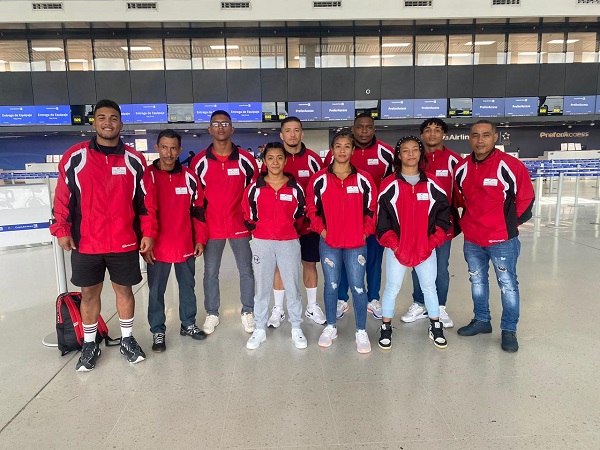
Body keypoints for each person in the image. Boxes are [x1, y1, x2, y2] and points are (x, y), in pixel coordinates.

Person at [50, 99, 157, 372]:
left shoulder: (134, 160)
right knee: (88, 294)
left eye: (113, 118)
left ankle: (128, 339)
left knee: (125, 291)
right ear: (93, 122)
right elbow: (63, 198)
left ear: (120, 123)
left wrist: (149, 233)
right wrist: (61, 230)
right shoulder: (75, 157)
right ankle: (89, 343)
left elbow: (146, 202)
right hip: (87, 241)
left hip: (123, 241)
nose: (107, 122)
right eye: (101, 117)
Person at [454, 120, 535, 353]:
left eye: (486, 135)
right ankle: (482, 320)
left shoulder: (510, 165)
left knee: (508, 285)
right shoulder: (461, 168)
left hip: (502, 241)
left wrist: (510, 225)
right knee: (477, 282)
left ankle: (509, 329)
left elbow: (526, 199)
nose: (480, 140)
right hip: (473, 240)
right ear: (470, 138)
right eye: (475, 135)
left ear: (495, 137)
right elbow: (459, 199)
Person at [377, 136, 451, 350]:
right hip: (397, 249)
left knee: (430, 288)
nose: (410, 154)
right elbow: (382, 221)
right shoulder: (389, 184)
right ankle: (385, 327)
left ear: (420, 153)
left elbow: (443, 216)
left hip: (425, 249)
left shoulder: (432, 183)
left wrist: (431, 243)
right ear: (399, 156)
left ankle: (436, 326)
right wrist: (395, 245)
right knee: (392, 288)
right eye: (405, 151)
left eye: (414, 150)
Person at [307, 130, 377, 354]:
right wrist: (323, 231)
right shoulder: (320, 179)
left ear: (353, 150)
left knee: (358, 287)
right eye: (338, 146)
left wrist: (364, 233)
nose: (343, 150)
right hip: (330, 243)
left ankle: (360, 330)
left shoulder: (363, 178)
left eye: (347, 146)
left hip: (357, 243)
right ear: (332, 150)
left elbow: (372, 209)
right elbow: (311, 209)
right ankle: (330, 326)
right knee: (332, 286)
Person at [191, 110, 259, 335]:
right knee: (210, 272)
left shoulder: (246, 160)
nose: (220, 127)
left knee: (246, 271)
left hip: (239, 226)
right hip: (212, 227)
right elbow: (196, 200)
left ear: (232, 128)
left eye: (225, 123)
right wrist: (198, 233)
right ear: (209, 129)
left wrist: (251, 223)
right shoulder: (199, 161)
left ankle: (248, 311)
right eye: (216, 124)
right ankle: (212, 313)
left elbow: (254, 194)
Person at [324, 113, 394, 321]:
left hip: (374, 219)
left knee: (372, 260)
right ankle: (341, 300)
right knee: (344, 262)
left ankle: (373, 299)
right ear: (353, 129)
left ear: (374, 129)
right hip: (342, 221)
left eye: (368, 127)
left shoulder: (386, 153)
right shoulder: (339, 152)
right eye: (360, 127)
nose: (364, 131)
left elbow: (392, 185)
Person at [144, 129, 208, 353]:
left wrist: (200, 239)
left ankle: (188, 323)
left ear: (179, 150)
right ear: (157, 148)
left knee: (187, 287)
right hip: (156, 247)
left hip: (184, 244)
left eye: (173, 148)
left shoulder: (190, 177)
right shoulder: (147, 176)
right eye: (164, 147)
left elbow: (199, 210)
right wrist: (144, 242)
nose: (169, 153)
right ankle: (157, 330)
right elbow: (141, 211)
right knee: (155, 291)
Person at [243, 142, 307, 350]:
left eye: (280, 157)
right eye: (270, 158)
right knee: (261, 288)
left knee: (292, 285)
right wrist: (260, 231)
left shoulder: (295, 188)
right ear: (264, 161)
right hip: (262, 243)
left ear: (285, 160)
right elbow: (248, 214)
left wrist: (290, 231)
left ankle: (296, 327)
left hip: (289, 242)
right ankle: (259, 328)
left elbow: (300, 216)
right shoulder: (255, 188)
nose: (275, 162)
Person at [266, 116, 326, 328]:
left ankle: (311, 306)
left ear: (302, 133)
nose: (292, 134)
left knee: (309, 264)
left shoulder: (313, 160)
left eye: (296, 130)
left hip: (308, 225)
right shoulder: (272, 160)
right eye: (288, 131)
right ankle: (278, 310)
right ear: (281, 135)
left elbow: (321, 191)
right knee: (279, 269)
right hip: (281, 228)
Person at [401, 118, 461, 328]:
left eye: (437, 130)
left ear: (443, 133)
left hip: (443, 226)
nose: (432, 134)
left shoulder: (454, 160)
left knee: (441, 268)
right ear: (422, 135)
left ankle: (440, 307)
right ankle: (419, 303)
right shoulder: (414, 158)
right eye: (428, 130)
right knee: (417, 265)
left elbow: (461, 194)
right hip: (416, 227)